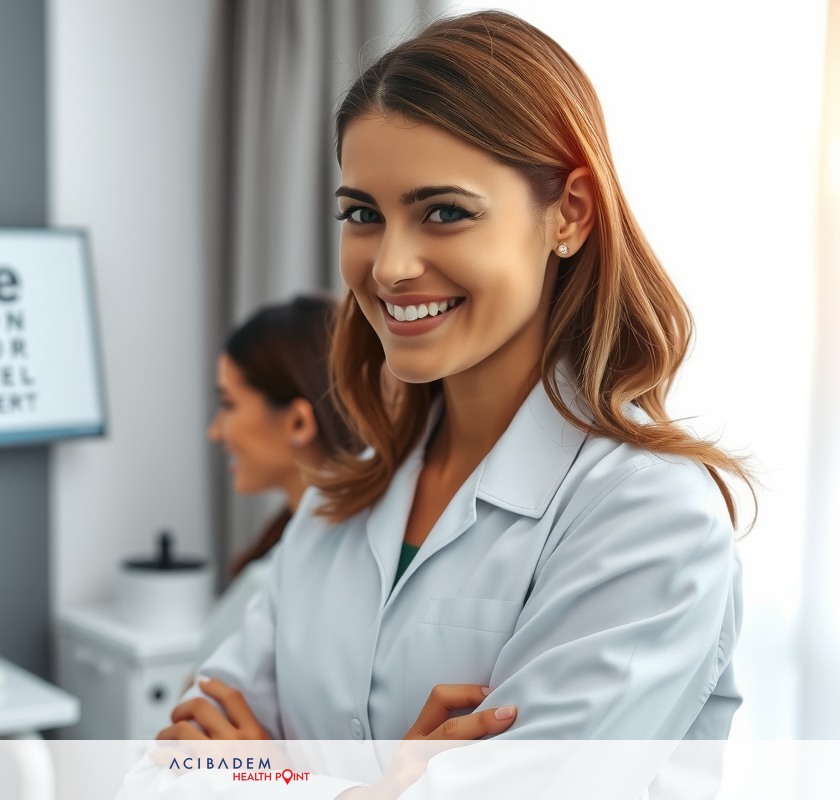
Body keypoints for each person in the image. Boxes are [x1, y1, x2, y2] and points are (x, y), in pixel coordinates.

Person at [159, 10, 745, 744]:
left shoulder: (649, 516)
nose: (390, 266)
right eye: (363, 214)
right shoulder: (338, 500)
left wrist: (271, 781)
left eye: (443, 212)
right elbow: (181, 757)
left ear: (570, 213)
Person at [194, 295, 360, 668]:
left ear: (298, 423)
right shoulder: (299, 551)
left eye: (229, 404)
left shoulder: (274, 584)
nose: (215, 431)